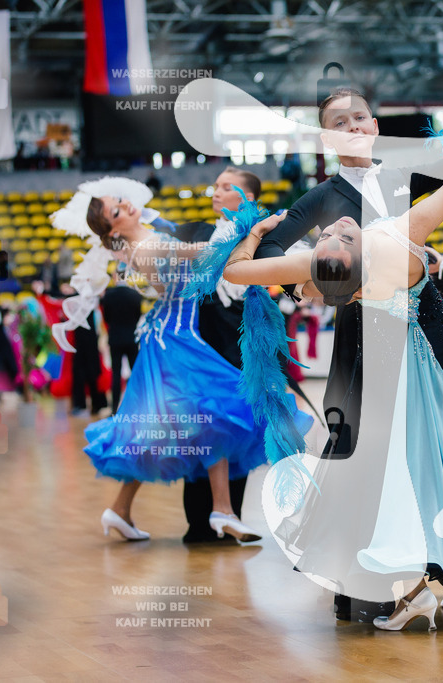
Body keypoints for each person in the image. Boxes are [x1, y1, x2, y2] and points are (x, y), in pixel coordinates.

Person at [255, 87, 443, 622]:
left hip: (426, 318)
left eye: (360, 116)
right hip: (362, 328)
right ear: (326, 137)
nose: (354, 126)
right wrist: (311, 282)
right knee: (371, 443)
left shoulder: (406, 173)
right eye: (340, 121)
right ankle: (386, 566)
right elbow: (272, 251)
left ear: (374, 124)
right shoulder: (320, 198)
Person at [61, 184, 299, 543]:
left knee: (186, 423)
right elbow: (203, 252)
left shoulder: (144, 240)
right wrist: (251, 231)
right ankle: (221, 510)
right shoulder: (148, 245)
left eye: (120, 201)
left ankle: (126, 510)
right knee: (210, 412)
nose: (126, 206)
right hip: (174, 342)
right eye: (116, 211)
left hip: (176, 335)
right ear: (113, 229)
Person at [171, 166, 265, 543]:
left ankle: (231, 517)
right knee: (201, 431)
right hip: (199, 348)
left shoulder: (259, 237)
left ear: (248, 199)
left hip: (239, 346)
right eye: (216, 186)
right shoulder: (197, 231)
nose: (216, 192)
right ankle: (198, 521)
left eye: (227, 188)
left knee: (236, 430)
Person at [100, 273, 143, 415]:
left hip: (115, 339)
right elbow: (137, 316)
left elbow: (106, 317)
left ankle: (114, 409)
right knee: (135, 372)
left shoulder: (108, 295)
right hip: (131, 338)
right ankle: (140, 405)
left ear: (114, 277)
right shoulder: (135, 295)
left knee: (116, 375)